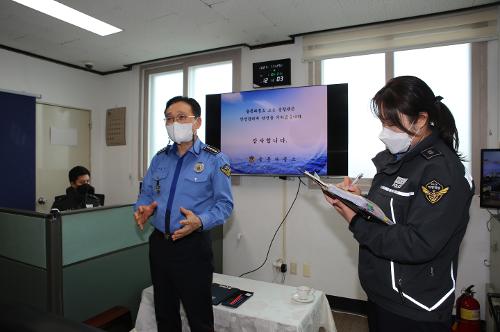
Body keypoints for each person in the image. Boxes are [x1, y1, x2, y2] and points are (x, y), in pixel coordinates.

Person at [324, 76, 474, 332]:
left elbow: (418, 243)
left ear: (421, 119)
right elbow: (390, 213)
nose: (385, 132)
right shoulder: (398, 159)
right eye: (382, 122)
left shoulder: (442, 170)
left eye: (391, 123)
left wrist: (355, 219)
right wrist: (359, 200)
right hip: (383, 293)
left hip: (414, 306)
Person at [134, 96, 233, 332]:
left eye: (181, 117)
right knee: (165, 314)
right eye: (169, 118)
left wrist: (199, 221)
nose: (174, 123)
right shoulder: (159, 158)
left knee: (198, 317)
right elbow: (146, 193)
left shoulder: (215, 159)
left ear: (197, 122)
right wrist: (142, 208)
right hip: (159, 245)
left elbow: (224, 206)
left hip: (192, 248)